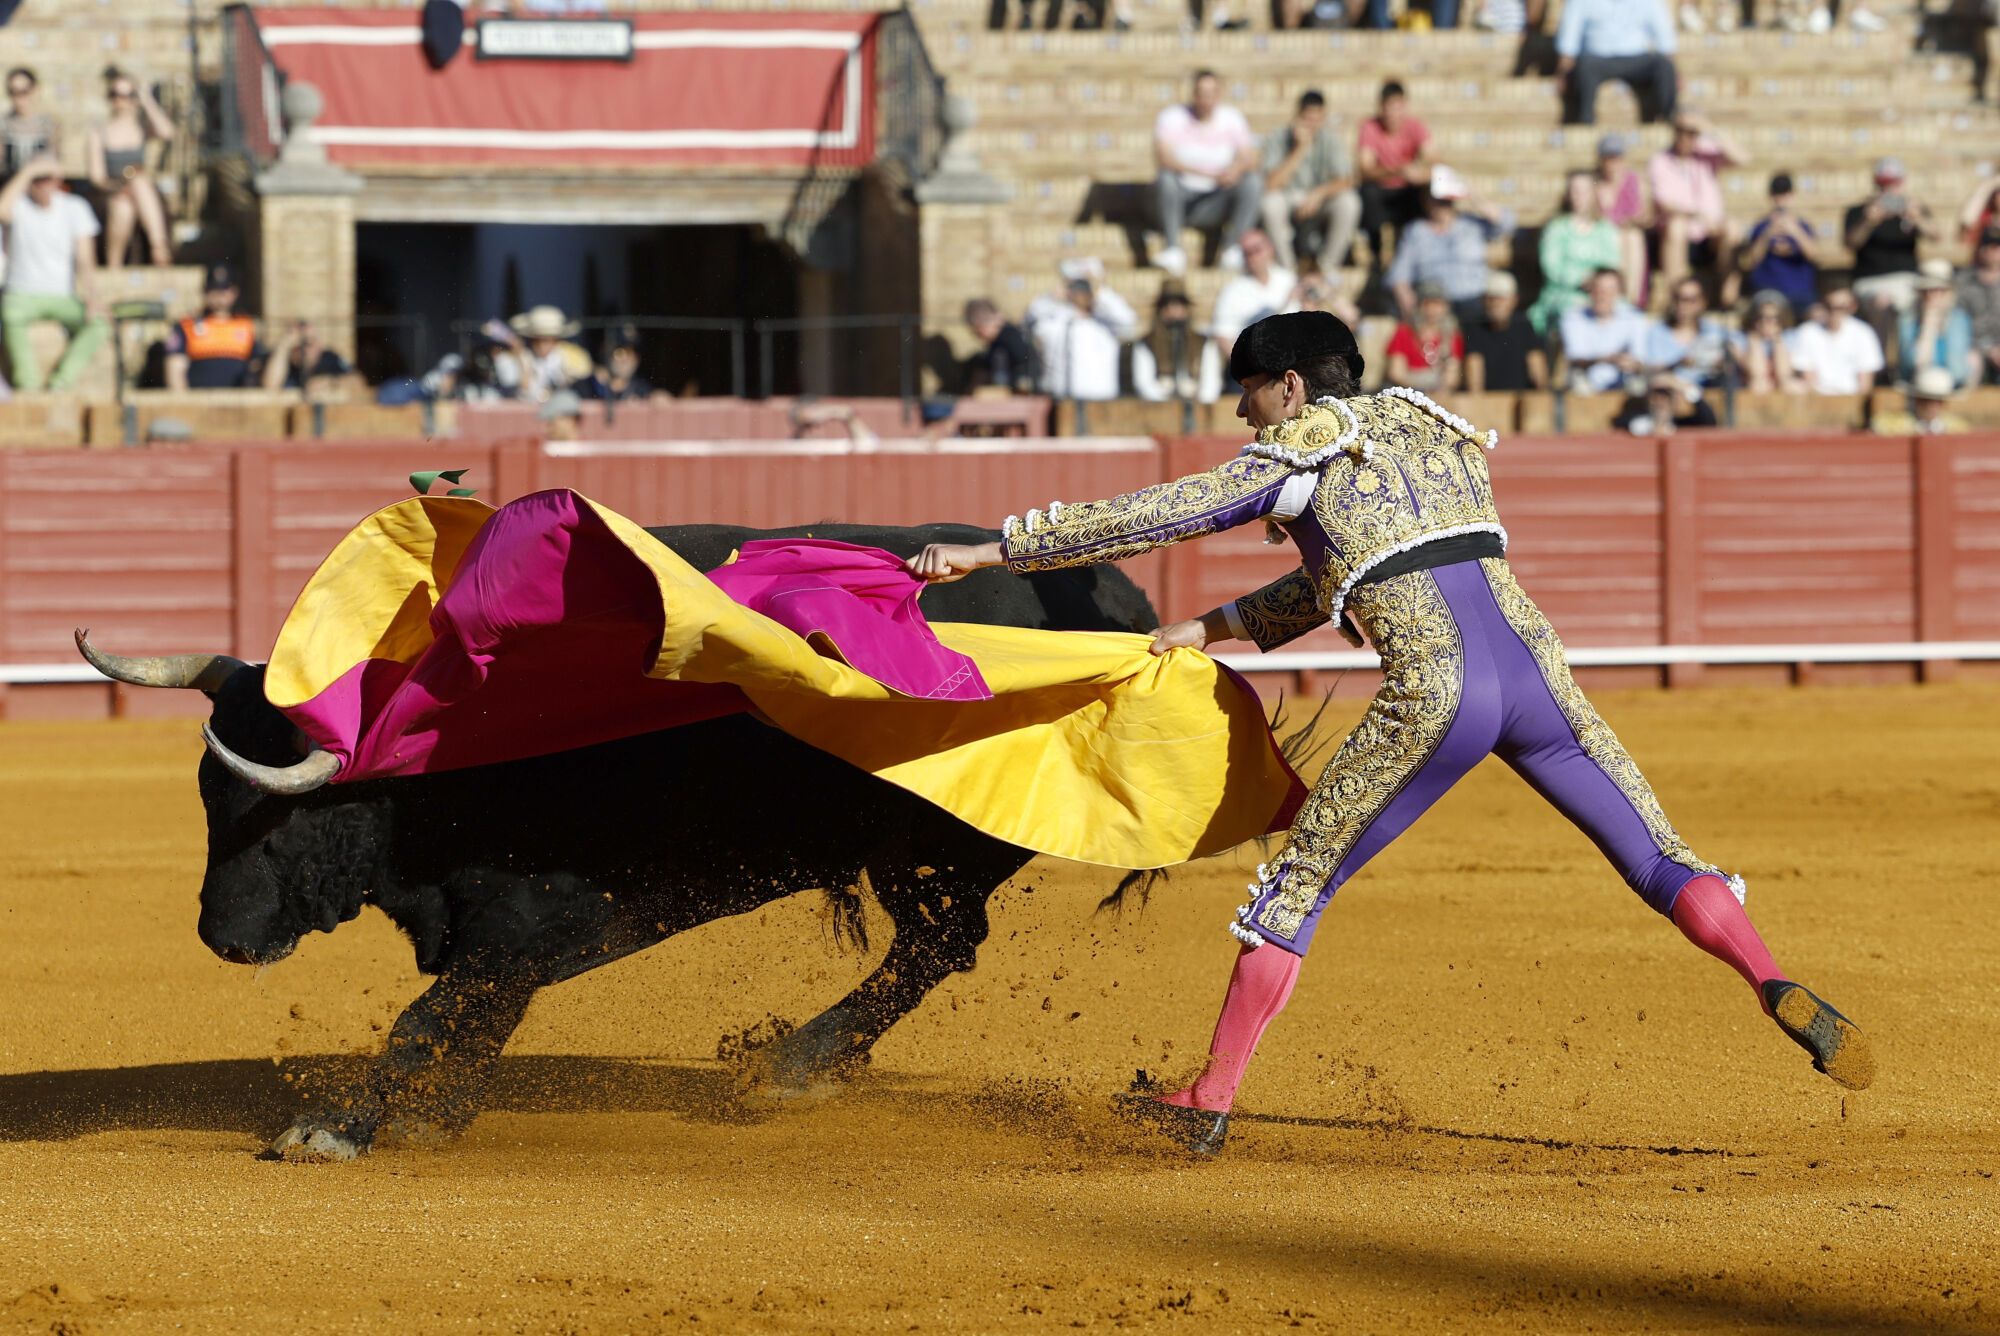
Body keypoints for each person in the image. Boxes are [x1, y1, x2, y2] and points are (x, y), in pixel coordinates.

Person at [904, 309, 1873, 1156]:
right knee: (1659, 858)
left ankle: (1207, 1097)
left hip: (1437, 692)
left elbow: (1159, 513)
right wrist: (1209, 628)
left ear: (1289, 385)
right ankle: (1770, 978)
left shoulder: (1300, 448)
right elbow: (1353, 570)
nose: (1242, 417)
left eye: (1248, 395)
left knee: (1296, 887)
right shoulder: (1420, 421)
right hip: (1538, 675)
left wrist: (991, 551)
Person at [0, 157, 108, 393]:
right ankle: (27, 385)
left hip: (62, 296)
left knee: (100, 325)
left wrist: (92, 298)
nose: (43, 184)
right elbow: (2, 210)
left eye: (48, 178)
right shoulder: (18, 205)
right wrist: (28, 171)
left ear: (58, 180)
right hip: (21, 294)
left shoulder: (74, 207)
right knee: (9, 316)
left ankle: (61, 382)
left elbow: (85, 261)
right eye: (38, 179)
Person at [1153, 71, 1262, 277]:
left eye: (1211, 93)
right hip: (1182, 198)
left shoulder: (1232, 118)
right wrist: (1208, 174)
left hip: (1218, 198)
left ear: (1219, 94)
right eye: (1201, 93)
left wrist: (1235, 170)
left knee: (1252, 183)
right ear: (1193, 94)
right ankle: (1173, 248)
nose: (1206, 99)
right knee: (1165, 179)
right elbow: (1164, 158)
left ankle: (1233, 250)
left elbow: (1250, 157)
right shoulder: (1172, 117)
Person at [1384, 165, 1514, 328]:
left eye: (1447, 200)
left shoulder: (1471, 225)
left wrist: (1469, 192)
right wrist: (1410, 310)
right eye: (1438, 200)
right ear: (1425, 201)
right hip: (1433, 303)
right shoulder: (1416, 232)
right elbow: (1398, 276)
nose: (1443, 206)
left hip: (1473, 300)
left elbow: (1506, 224)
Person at [1259, 91, 1362, 280]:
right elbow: (1271, 184)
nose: (1311, 124)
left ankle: (1328, 267)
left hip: (1319, 200)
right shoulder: (1278, 137)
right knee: (1270, 204)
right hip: (1288, 198)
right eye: (1307, 119)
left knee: (1349, 202)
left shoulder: (1330, 138)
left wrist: (1319, 194)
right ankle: (1286, 270)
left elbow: (1347, 179)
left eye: (1317, 119)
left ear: (1323, 118)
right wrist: (1300, 149)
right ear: (1297, 116)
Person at [1649, 111, 1747, 304]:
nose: (1687, 137)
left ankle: (1728, 298)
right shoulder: (1660, 161)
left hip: (1710, 237)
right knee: (1677, 226)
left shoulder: (1706, 155)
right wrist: (1698, 216)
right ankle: (1675, 298)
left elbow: (1742, 158)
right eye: (1682, 131)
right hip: (1681, 235)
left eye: (1692, 132)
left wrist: (1710, 129)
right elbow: (1664, 204)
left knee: (1733, 228)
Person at [1845, 158, 1941, 344]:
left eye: (1894, 184)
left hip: (1907, 280)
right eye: (1884, 185)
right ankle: (1881, 368)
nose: (1889, 191)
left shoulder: (1913, 208)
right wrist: (1868, 221)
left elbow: (1936, 236)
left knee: (1923, 304)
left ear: (1902, 183)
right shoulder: (1859, 211)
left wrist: (1917, 217)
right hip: (1870, 281)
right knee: (1881, 303)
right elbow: (1850, 244)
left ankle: (1909, 363)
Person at [86, 68, 174, 269]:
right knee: (124, 203)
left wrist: (147, 100)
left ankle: (154, 248)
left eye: (128, 95)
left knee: (138, 184)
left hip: (140, 191)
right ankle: (154, 249)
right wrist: (120, 186)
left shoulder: (142, 127)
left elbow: (167, 133)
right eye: (116, 95)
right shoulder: (99, 132)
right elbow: (97, 177)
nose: (121, 101)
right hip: (112, 190)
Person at [1528, 170, 1628, 335]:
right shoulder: (1556, 228)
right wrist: (1581, 279)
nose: (1579, 196)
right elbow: (1552, 268)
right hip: (1564, 294)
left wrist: (1597, 283)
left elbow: (1612, 263)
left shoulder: (1605, 229)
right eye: (1575, 191)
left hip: (1601, 293)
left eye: (1585, 191)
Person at [1025, 258, 1136, 402]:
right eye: (1076, 289)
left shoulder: (1105, 325)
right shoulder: (1055, 322)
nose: (1081, 294)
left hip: (1099, 400)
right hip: (1059, 400)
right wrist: (1054, 296)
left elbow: (1128, 320)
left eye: (1085, 289)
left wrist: (1100, 290)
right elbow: (1031, 319)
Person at [1556, 0, 1679, 126]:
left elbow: (1665, 40)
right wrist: (1564, 74)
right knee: (1584, 67)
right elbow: (1569, 42)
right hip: (1596, 59)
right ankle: (1585, 122)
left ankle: (1668, 120)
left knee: (1664, 66)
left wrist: (1675, 75)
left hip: (1637, 58)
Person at [1355, 81, 1433, 271]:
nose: (1393, 114)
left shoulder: (1416, 126)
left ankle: (1416, 254)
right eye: (1389, 107)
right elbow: (1365, 169)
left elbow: (1434, 160)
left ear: (1405, 106)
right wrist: (1398, 170)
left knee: (1429, 190)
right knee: (1367, 193)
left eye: (1398, 107)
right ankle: (1375, 255)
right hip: (1380, 190)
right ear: (1381, 107)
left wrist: (1420, 172)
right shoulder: (1370, 127)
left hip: (1407, 191)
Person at [165, 264, 274, 391]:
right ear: (205, 291)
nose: (220, 295)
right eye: (214, 289)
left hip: (238, 402)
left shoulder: (246, 326)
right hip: (199, 400)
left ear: (234, 292)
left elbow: (257, 364)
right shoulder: (187, 325)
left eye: (224, 290)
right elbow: (175, 370)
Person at [1209, 229, 1297, 371]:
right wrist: (1251, 370)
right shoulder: (1232, 291)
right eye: (1247, 253)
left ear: (1270, 249)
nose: (1253, 257)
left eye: (1257, 250)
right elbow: (1222, 336)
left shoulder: (1289, 280)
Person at [1560, 267, 1651, 394]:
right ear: (1590, 291)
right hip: (1586, 384)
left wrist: (1629, 363)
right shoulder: (1573, 317)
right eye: (1598, 289)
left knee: (1639, 385)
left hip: (1624, 383)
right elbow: (1576, 359)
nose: (1602, 295)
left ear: (1619, 292)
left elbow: (1641, 360)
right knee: (1578, 382)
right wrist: (1606, 360)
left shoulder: (1635, 318)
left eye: (1609, 290)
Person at [1740, 173, 1821, 315]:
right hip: (1768, 293)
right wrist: (1768, 233)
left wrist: (1794, 231)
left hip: (1800, 294)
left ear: (1792, 196)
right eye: (1777, 194)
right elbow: (1752, 260)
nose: (1780, 200)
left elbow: (1813, 254)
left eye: (1785, 194)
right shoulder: (1761, 227)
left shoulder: (1802, 225)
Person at [1789, 287, 1885, 395]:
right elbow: (1808, 377)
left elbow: (1865, 382)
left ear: (1853, 307)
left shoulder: (1864, 333)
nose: (1835, 312)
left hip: (1852, 397)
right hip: (1817, 397)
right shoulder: (1807, 331)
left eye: (1841, 307)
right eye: (1830, 307)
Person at [1463, 271, 1547, 393]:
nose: (1496, 304)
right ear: (1483, 300)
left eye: (1501, 298)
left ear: (1514, 299)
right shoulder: (1475, 328)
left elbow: (1538, 371)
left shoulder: (1524, 326)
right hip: (1488, 401)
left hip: (1522, 400)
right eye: (1491, 298)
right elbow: (1474, 377)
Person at [1130, 283, 1214, 403]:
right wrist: (1166, 398)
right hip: (1159, 407)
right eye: (1167, 305)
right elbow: (1144, 385)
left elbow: (1210, 385)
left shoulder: (1204, 343)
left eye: (1178, 305)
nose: (1172, 311)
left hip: (1197, 405)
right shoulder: (1146, 343)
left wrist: (1197, 399)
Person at [1645, 278, 1734, 388]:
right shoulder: (1657, 332)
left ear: (1703, 302)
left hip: (1710, 390)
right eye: (1677, 298)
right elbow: (1647, 370)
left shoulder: (1716, 331)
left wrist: (1722, 363)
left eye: (1689, 300)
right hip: (1670, 393)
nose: (1682, 305)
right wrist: (1677, 363)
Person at [1897, 261, 1974, 389]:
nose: (1932, 296)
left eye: (1938, 290)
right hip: (1916, 381)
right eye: (1926, 290)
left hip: (1950, 383)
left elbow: (1957, 369)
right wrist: (1927, 327)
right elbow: (1909, 364)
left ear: (1948, 292)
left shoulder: (1958, 319)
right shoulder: (1908, 319)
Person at [493, 305, 591, 403]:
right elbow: (521, 391)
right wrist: (521, 361)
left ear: (556, 340)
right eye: (537, 340)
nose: (542, 345)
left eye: (547, 340)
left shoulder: (569, 357)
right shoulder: (519, 357)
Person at [1383, 282, 1462, 393]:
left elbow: (1452, 379)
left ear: (1445, 307)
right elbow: (1396, 373)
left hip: (1439, 396)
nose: (1431, 310)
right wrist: (1425, 381)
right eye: (1427, 304)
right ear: (1418, 306)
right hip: (1409, 394)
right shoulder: (1404, 332)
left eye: (1437, 304)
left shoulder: (1451, 336)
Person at [963, 298, 1039, 394]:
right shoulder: (1003, 339)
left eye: (977, 331)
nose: (978, 336)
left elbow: (1025, 374)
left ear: (981, 325)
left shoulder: (1007, 339)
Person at [1955, 225, 2000, 386]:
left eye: (1997, 247)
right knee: (1970, 360)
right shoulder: (1963, 281)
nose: (1994, 251)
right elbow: (1958, 323)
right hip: (1972, 348)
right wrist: (1988, 349)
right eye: (1990, 246)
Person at [1872, 365, 1971, 436]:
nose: (1931, 406)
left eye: (1938, 400)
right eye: (1926, 400)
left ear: (1944, 403)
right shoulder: (1892, 425)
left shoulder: (1956, 428)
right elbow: (1878, 425)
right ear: (1916, 399)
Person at [1738, 292, 1805, 393]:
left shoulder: (1791, 337)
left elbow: (1783, 375)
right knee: (1758, 385)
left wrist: (1778, 341)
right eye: (1762, 317)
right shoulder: (1740, 338)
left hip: (1780, 389)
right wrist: (1755, 341)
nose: (1768, 322)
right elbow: (1756, 373)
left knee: (1791, 386)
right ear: (1754, 318)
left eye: (1774, 318)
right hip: (1755, 389)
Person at [2, 67, 58, 185]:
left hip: (38, 191)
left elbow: (54, 163)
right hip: (9, 189)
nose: (19, 98)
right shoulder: (3, 125)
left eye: (24, 91)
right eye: (13, 92)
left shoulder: (49, 125)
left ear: (35, 90)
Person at [1616, 370, 1717, 435]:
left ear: (1673, 400)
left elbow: (1708, 421)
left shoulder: (1683, 425)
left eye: (1666, 396)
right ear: (1648, 399)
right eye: (1654, 396)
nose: (1660, 402)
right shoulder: (1637, 424)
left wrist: (1681, 386)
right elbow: (1620, 422)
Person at [581, 328, 655, 402]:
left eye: (630, 353)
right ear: (605, 352)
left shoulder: (643, 390)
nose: (625, 359)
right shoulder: (589, 385)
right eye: (619, 353)